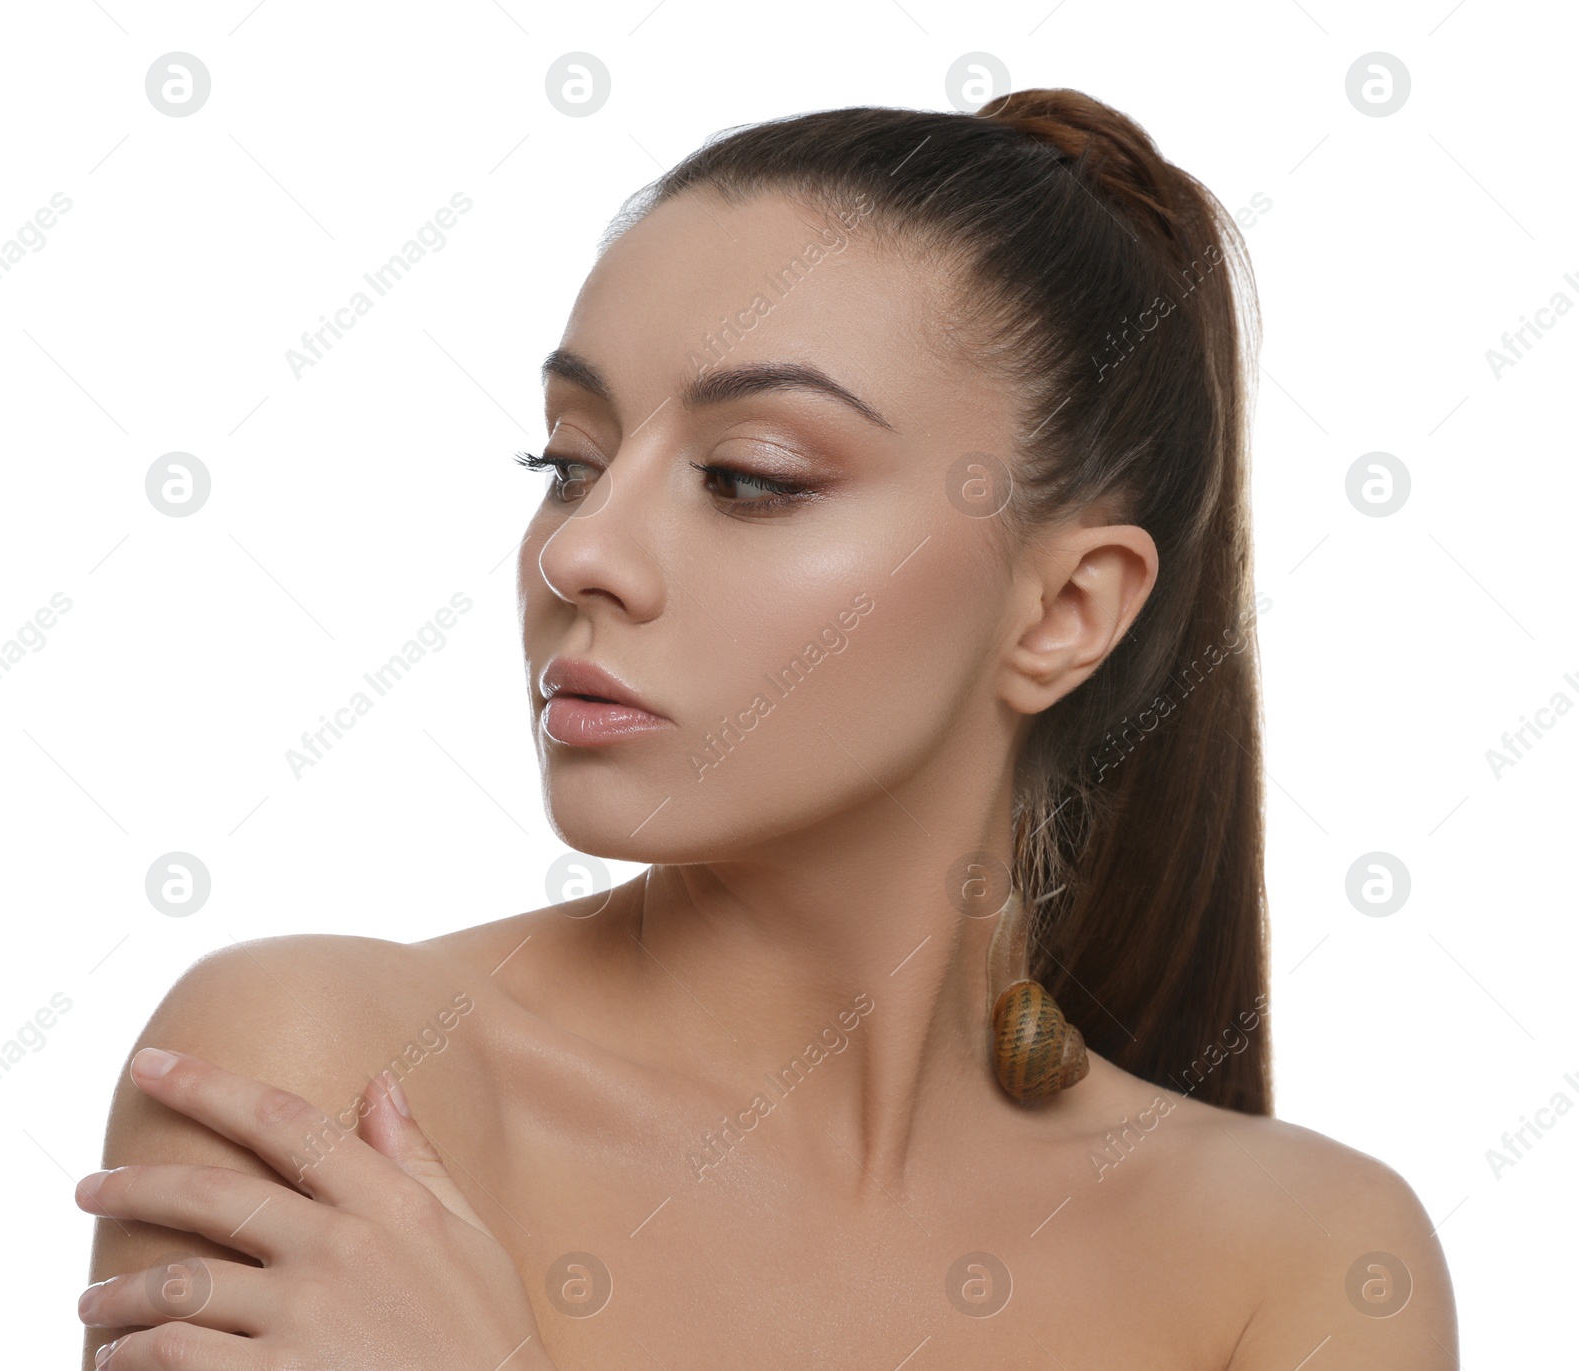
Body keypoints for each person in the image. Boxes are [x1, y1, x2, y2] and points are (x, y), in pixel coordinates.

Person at [76, 88, 1458, 1369]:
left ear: (1065, 612)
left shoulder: (1304, 1257)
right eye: (570, 463)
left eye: (750, 478)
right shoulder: (334, 1079)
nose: (583, 554)